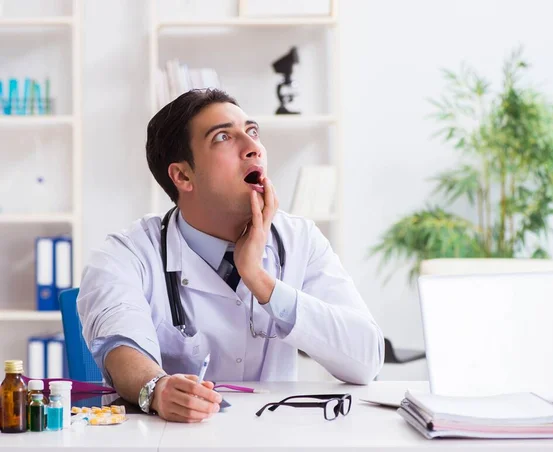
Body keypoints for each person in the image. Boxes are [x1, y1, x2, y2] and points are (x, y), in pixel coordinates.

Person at [78, 88, 384, 423]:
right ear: (182, 176)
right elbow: (121, 349)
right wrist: (158, 389)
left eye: (252, 132)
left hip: (275, 437)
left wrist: (259, 279)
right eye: (223, 137)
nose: (253, 147)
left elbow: (366, 360)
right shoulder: (127, 254)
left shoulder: (300, 240)